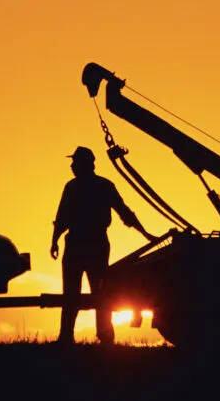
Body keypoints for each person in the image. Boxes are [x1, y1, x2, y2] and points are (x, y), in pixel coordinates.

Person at [50, 146, 156, 345]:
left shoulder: (85, 187)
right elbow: (62, 217)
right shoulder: (89, 186)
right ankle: (77, 336)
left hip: (87, 243)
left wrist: (144, 233)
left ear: (86, 164)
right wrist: (54, 240)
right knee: (88, 292)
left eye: (75, 162)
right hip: (86, 243)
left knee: (92, 292)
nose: (72, 166)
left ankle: (95, 335)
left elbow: (123, 212)